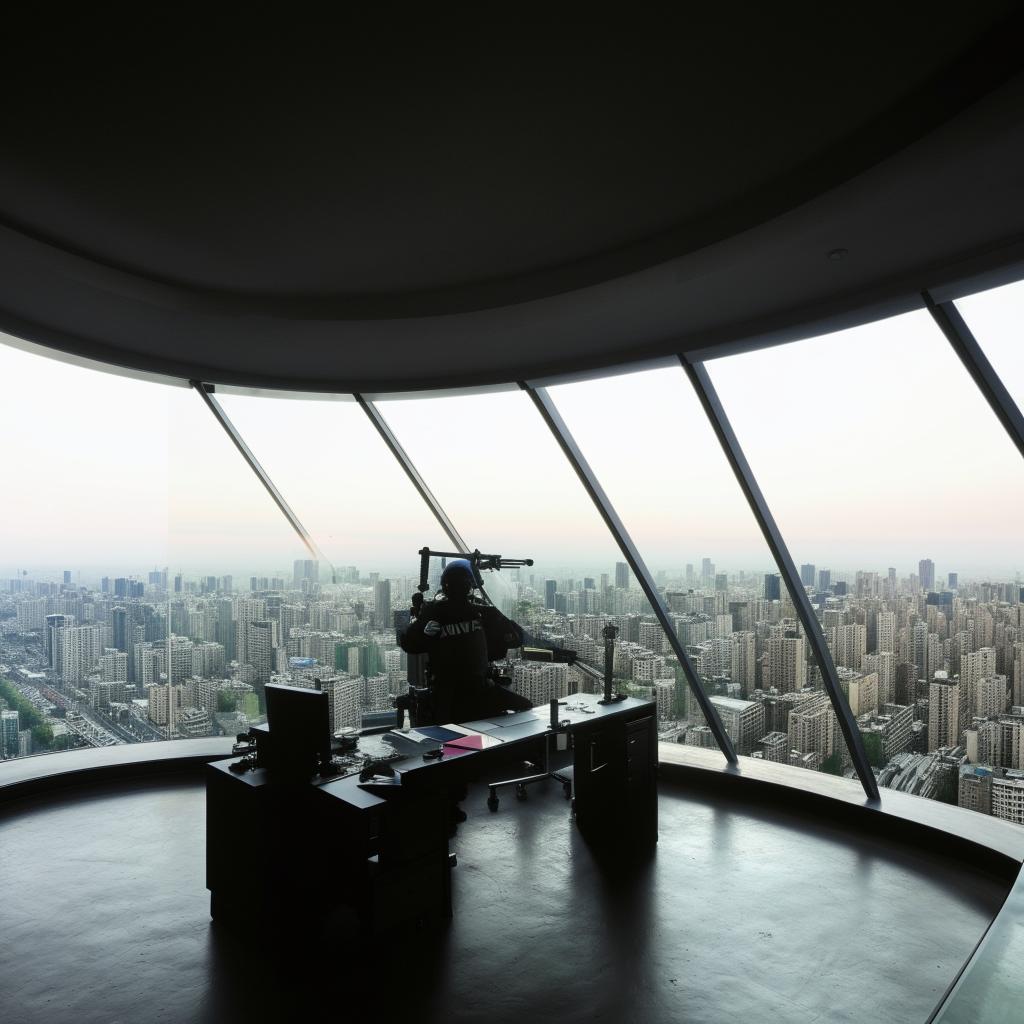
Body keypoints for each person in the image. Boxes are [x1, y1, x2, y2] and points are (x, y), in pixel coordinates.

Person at [399, 559, 532, 725]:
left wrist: (419, 621)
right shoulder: (481, 612)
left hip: (446, 701)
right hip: (482, 692)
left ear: (444, 586)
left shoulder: (433, 613)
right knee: (526, 709)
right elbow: (515, 638)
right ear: (470, 586)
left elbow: (408, 643)